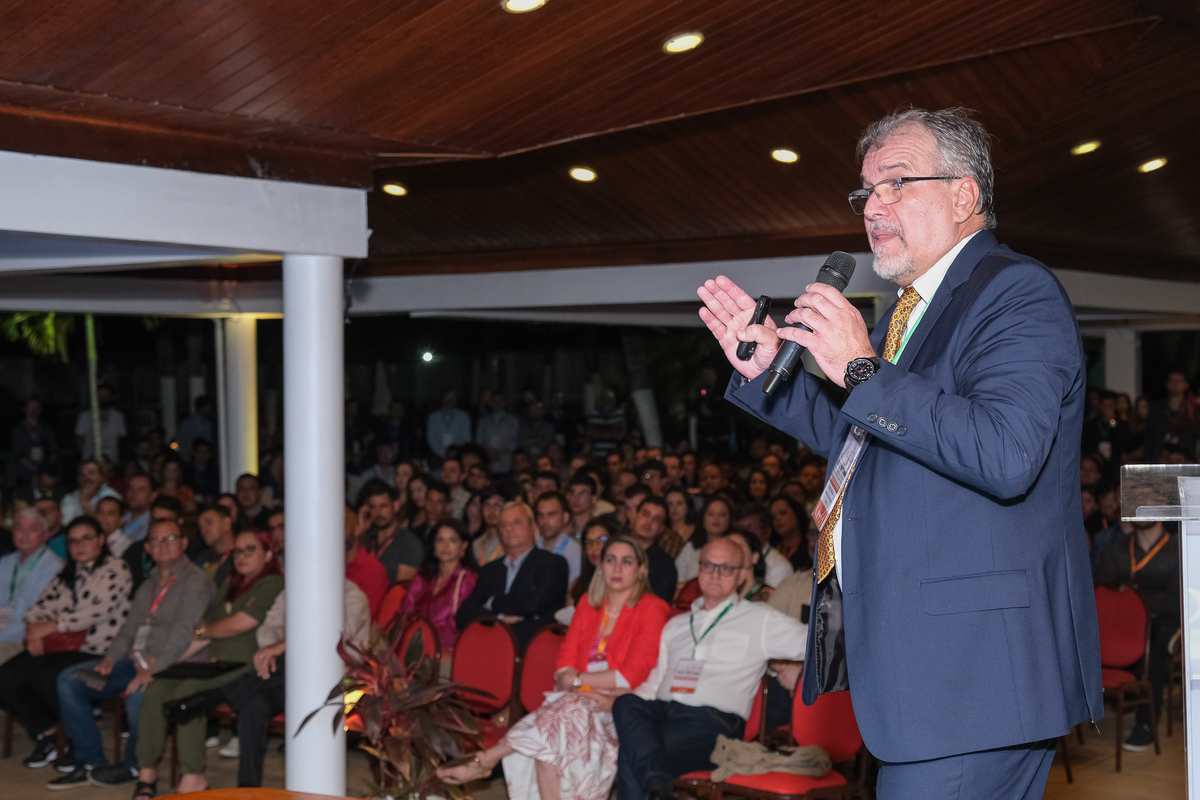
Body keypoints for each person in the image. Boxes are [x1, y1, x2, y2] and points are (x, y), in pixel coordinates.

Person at [702, 107, 1101, 797]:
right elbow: (863, 446)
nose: (872, 206)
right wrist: (768, 372)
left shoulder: (1014, 291)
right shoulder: (905, 314)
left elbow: (1005, 453)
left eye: (896, 183)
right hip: (925, 675)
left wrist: (861, 368)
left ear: (964, 194)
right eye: (865, 191)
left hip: (972, 678)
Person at [440, 534, 670, 800]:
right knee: (554, 732)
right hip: (576, 698)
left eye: (627, 562)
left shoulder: (653, 609)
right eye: (611, 560)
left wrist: (577, 681)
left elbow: (631, 675)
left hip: (620, 707)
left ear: (641, 570)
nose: (617, 568)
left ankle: (487, 759)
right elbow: (565, 659)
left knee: (557, 721)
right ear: (600, 566)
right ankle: (486, 761)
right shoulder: (588, 603)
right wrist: (575, 683)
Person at [611, 538, 806, 800]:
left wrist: (800, 669)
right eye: (708, 566)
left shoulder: (759, 620)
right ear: (698, 569)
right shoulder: (676, 625)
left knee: (633, 753)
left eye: (725, 568)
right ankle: (657, 786)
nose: (715, 574)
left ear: (740, 576)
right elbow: (655, 683)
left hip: (711, 723)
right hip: (663, 713)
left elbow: (817, 643)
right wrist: (613, 698)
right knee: (626, 703)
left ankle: (658, 785)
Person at [161, 578, 371, 788]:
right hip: (286, 678)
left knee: (283, 667)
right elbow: (269, 625)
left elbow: (332, 640)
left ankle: (212, 697)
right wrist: (271, 651)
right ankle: (248, 789)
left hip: (332, 681)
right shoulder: (295, 591)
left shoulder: (353, 597)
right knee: (254, 705)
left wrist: (281, 647)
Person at [58, 519, 214, 789]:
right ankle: (92, 760)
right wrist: (110, 658)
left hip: (172, 664)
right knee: (71, 680)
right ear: (147, 548)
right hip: (132, 664)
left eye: (170, 539)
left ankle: (135, 765)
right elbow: (128, 630)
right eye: (156, 540)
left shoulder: (196, 581)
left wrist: (156, 667)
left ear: (184, 543)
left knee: (137, 695)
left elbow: (183, 632)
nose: (163, 545)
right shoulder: (147, 585)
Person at [135, 529, 284, 795]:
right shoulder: (228, 585)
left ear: (269, 554)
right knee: (157, 687)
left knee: (188, 691)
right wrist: (161, 668)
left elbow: (240, 624)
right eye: (237, 550)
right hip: (213, 661)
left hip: (245, 666)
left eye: (250, 549)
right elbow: (201, 636)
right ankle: (147, 772)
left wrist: (206, 630)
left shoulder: (272, 584)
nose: (242, 556)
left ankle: (193, 776)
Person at [0, 516, 132, 771]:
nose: (79, 545)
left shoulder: (115, 568)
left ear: (101, 540)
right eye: (73, 541)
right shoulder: (68, 572)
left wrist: (51, 626)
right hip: (62, 647)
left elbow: (96, 612)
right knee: (7, 677)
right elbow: (41, 606)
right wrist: (33, 629)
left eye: (87, 538)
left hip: (99, 651)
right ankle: (47, 735)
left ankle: (75, 741)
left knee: (47, 679)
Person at [1094, 510, 1179, 750]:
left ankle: (1145, 724)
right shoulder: (1116, 548)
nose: (1141, 508)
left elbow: (1174, 599)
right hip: (1121, 623)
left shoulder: (1176, 548)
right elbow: (1105, 592)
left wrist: (1131, 600)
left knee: (1154, 637)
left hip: (1158, 621)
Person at [456, 501, 569, 644]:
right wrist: (498, 618)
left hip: (532, 648)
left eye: (516, 522)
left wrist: (491, 603)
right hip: (489, 645)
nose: (509, 529)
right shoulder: (490, 569)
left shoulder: (551, 563)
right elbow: (463, 614)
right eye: (503, 525)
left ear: (532, 526)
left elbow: (534, 604)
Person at [398, 520, 478, 647]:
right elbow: (404, 611)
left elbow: (463, 626)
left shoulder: (468, 580)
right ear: (434, 546)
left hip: (448, 651)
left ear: (463, 547)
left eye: (452, 540)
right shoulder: (424, 576)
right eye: (440, 540)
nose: (445, 546)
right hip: (413, 645)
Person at [0, 509, 63, 667]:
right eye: (19, 528)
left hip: (20, 638)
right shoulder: (5, 562)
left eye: (33, 529)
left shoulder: (55, 567)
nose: (24, 534)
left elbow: (37, 616)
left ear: (45, 535)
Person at [357, 479, 424, 585]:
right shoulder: (365, 539)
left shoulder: (409, 544)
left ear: (396, 506)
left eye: (383, 506)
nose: (378, 512)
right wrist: (360, 531)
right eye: (373, 507)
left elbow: (402, 590)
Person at [626, 497, 679, 603]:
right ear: (634, 516)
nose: (649, 522)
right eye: (645, 514)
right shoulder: (614, 550)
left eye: (656, 519)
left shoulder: (666, 566)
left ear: (661, 529)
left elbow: (658, 606)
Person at [675, 495, 734, 589]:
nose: (716, 518)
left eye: (722, 515)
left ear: (729, 520)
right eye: (711, 514)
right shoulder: (690, 548)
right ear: (703, 518)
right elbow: (677, 580)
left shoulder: (734, 550)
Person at [58, 460, 122, 547]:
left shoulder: (111, 496)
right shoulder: (70, 498)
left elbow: (104, 525)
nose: (87, 477)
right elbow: (65, 524)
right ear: (78, 478)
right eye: (83, 474)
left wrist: (84, 501)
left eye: (92, 472)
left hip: (108, 543)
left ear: (101, 477)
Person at [343, 507, 389, 620]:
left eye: (342, 527)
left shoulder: (372, 570)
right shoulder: (325, 567)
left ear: (357, 529)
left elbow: (362, 619)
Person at [735, 503, 793, 588]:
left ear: (767, 532)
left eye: (751, 528)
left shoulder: (780, 568)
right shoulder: (731, 558)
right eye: (740, 529)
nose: (745, 533)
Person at [535, 492, 582, 584]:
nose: (545, 521)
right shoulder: (531, 548)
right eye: (541, 515)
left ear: (565, 517)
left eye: (551, 515)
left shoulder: (575, 553)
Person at [11, 397, 57, 489]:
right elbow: (18, 454)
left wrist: (46, 469)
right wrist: (34, 468)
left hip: (44, 474)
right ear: (25, 408)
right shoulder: (18, 430)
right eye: (30, 407)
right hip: (24, 474)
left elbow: (53, 450)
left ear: (40, 410)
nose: (33, 410)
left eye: (36, 407)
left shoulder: (46, 429)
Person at [74, 384, 127, 463]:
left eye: (106, 395)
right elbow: (79, 439)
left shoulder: (118, 416)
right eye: (100, 395)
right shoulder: (85, 416)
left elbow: (121, 438)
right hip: (90, 460)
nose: (103, 398)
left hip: (111, 460)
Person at [477, 393, 521, 476]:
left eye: (499, 401)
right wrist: (488, 452)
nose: (497, 403)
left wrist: (500, 451)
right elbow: (479, 441)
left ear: (505, 402)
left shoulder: (512, 421)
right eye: (494, 401)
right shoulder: (483, 421)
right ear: (490, 403)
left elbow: (515, 441)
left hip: (506, 462)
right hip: (487, 463)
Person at [194, 503, 237, 586]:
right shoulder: (201, 558)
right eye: (201, 527)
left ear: (226, 523)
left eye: (209, 523)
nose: (204, 530)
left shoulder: (241, 556)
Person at [428, 389, 474, 464]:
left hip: (459, 455)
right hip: (438, 456)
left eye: (452, 397)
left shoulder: (463, 416)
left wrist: (456, 453)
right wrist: (444, 454)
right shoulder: (433, 417)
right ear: (442, 398)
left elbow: (466, 438)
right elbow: (432, 439)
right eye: (447, 397)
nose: (450, 399)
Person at [767, 496, 811, 571]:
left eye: (783, 513)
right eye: (773, 517)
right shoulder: (769, 548)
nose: (777, 519)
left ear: (797, 514)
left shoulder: (811, 546)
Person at [472, 489, 507, 567]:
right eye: (487, 505)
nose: (492, 510)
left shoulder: (512, 542)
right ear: (480, 509)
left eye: (498, 504)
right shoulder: (475, 545)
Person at [122, 474, 157, 544]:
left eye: (141, 490)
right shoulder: (122, 516)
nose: (134, 493)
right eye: (131, 489)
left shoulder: (153, 524)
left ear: (153, 495)